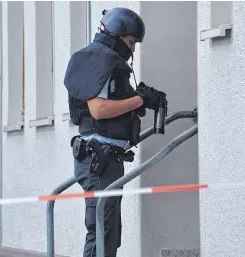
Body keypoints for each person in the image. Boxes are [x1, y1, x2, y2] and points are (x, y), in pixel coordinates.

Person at [64, 7, 166, 257]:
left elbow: (113, 104)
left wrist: (134, 98)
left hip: (107, 159)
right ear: (116, 35)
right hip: (98, 159)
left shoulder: (105, 60)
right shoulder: (97, 59)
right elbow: (98, 110)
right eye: (131, 43)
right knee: (101, 229)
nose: (132, 50)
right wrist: (140, 101)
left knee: (109, 232)